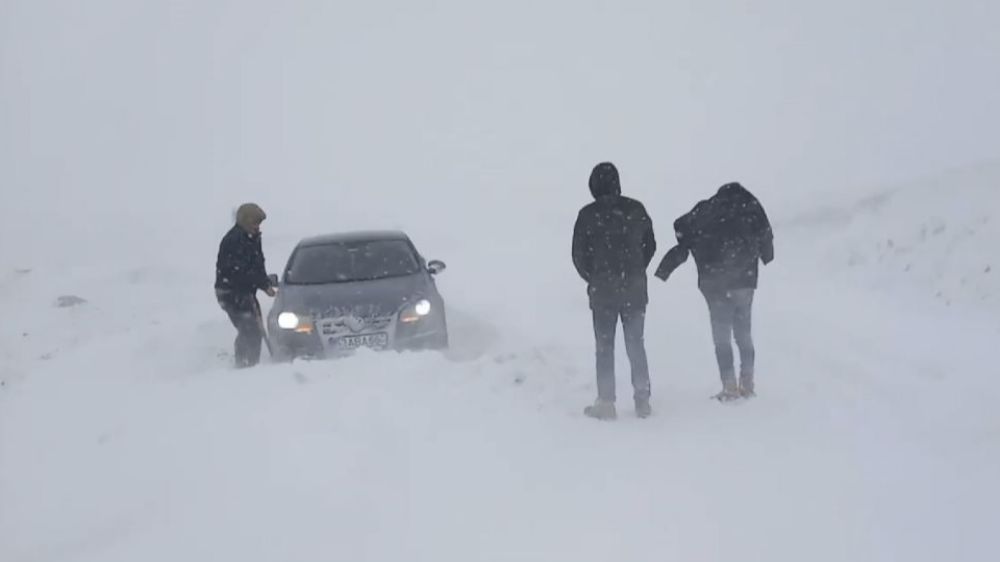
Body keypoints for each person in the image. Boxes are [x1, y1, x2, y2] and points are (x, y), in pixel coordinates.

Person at [654, 182, 774, 401]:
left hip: (715, 284)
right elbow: (766, 236)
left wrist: (678, 254)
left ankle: (729, 386)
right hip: (745, 282)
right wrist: (765, 254)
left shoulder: (707, 208)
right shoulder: (751, 206)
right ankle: (747, 384)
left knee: (722, 337)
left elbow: (680, 225)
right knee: (744, 335)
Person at [572, 162, 657, 420]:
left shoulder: (587, 214)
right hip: (634, 290)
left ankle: (606, 402)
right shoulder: (636, 209)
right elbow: (650, 246)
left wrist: (596, 276)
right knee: (635, 344)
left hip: (603, 292)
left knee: (604, 347)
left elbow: (578, 255)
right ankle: (642, 400)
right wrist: (634, 270)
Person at [215, 202, 276, 368]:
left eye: (259, 224)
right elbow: (238, 271)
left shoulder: (253, 238)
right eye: (255, 223)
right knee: (250, 329)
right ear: (245, 221)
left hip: (245, 290)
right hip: (230, 292)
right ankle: (244, 365)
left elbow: (257, 265)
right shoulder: (233, 241)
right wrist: (260, 283)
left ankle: (250, 363)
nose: (258, 227)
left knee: (254, 326)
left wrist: (265, 284)